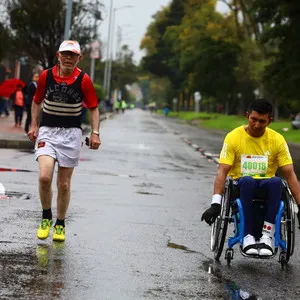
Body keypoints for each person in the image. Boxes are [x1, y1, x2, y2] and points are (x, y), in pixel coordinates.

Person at [201, 98, 300, 256]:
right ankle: (247, 236)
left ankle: (267, 236)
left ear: (269, 120)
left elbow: (290, 174)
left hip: (268, 185)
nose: (257, 125)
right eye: (253, 119)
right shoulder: (233, 137)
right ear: (247, 116)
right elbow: (222, 171)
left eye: (262, 121)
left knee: (276, 181)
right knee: (247, 181)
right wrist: (215, 204)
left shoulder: (277, 140)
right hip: (241, 184)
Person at [28, 40, 101, 242]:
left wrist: (95, 132)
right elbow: (36, 101)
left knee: (64, 184)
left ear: (79, 58)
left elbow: (94, 108)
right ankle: (45, 217)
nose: (68, 58)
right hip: (48, 132)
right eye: (65, 54)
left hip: (71, 134)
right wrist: (34, 125)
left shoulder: (84, 80)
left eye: (72, 55)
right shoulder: (46, 76)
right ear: (58, 55)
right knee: (44, 177)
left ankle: (60, 223)